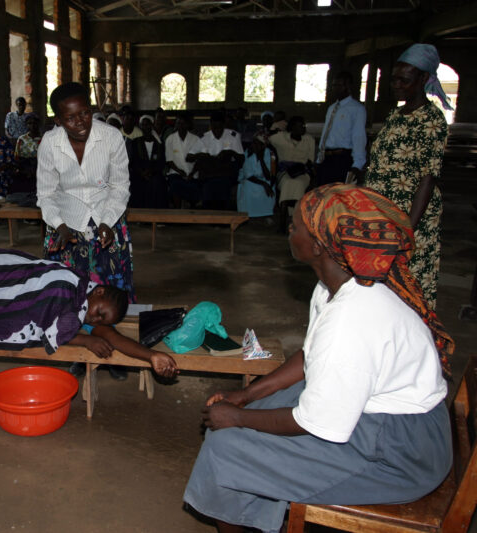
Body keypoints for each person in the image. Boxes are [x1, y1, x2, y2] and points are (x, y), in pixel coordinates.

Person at [184, 183, 454, 533]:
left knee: (226, 448)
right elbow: (309, 356)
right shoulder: (339, 284)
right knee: (247, 420)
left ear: (319, 246)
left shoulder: (352, 320)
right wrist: (246, 397)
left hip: (399, 453)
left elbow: (315, 422)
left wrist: (237, 417)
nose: (289, 231)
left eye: (295, 227)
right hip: (383, 421)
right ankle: (256, 510)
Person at [0, 249, 178, 378]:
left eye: (100, 321)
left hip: (12, 295)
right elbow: (40, 293)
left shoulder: (86, 313)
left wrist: (151, 355)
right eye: (99, 314)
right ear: (99, 292)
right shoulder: (68, 283)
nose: (94, 321)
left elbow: (114, 338)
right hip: (4, 282)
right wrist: (84, 340)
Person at [37, 82, 134, 381]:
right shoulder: (49, 145)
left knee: (109, 294)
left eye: (85, 113)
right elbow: (46, 194)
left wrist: (106, 223)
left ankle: (113, 352)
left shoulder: (111, 137)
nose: (80, 122)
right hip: (66, 225)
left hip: (108, 219)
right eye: (70, 118)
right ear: (58, 120)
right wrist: (61, 227)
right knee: (71, 293)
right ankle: (79, 349)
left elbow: (120, 186)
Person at [363, 44, 451, 309]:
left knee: (407, 281)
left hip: (410, 214)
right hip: (382, 211)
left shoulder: (431, 120)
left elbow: (428, 178)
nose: (397, 85)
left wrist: (407, 228)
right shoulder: (395, 114)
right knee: (378, 280)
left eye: (405, 80)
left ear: (424, 79)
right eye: (394, 79)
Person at [316, 71, 367, 186]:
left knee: (338, 196)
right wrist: (319, 158)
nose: (334, 89)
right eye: (333, 85)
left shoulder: (356, 109)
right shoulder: (332, 108)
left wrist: (357, 165)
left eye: (338, 85)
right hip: (326, 158)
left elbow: (358, 137)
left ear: (348, 86)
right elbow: (326, 133)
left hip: (341, 159)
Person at [186, 110, 244, 210]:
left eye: (220, 128)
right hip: (209, 175)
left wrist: (229, 152)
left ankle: (222, 219)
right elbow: (189, 157)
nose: (217, 131)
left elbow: (241, 159)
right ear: (210, 126)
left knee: (222, 187)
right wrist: (201, 154)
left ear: (224, 125)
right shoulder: (205, 138)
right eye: (214, 128)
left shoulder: (233, 136)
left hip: (225, 174)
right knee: (209, 188)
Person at [269, 116, 315, 231]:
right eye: (299, 126)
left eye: (303, 126)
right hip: (285, 171)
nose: (302, 128)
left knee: (298, 182)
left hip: (301, 171)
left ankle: (296, 218)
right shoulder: (280, 138)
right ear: (292, 127)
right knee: (287, 182)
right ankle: (283, 219)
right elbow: (264, 138)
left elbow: (310, 160)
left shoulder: (309, 140)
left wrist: (307, 171)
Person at [127, 115, 166, 209]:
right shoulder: (135, 142)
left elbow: (161, 162)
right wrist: (142, 172)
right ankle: (140, 217)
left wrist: (151, 171)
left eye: (148, 125)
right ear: (140, 127)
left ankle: (156, 216)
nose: (146, 127)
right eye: (143, 125)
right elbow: (133, 161)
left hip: (154, 173)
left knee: (158, 183)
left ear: (152, 126)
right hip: (139, 173)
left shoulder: (159, 144)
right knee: (137, 184)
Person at [236, 133, 275, 220]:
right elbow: (248, 175)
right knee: (248, 186)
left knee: (270, 186)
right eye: (253, 143)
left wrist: (261, 159)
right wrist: (264, 184)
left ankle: (266, 214)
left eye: (257, 143)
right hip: (250, 179)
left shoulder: (271, 154)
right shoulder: (247, 153)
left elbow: (269, 176)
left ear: (263, 145)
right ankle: (247, 214)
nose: (254, 145)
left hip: (265, 179)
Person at [165, 114, 200, 208]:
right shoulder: (170, 139)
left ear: (188, 125)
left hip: (192, 173)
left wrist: (191, 173)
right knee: (175, 185)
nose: (180, 126)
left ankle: (193, 211)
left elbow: (199, 160)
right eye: (178, 123)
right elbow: (169, 160)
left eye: (183, 123)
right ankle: (177, 211)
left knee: (194, 186)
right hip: (176, 172)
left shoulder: (195, 139)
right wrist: (180, 172)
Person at [12, 112, 42, 194]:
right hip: (25, 168)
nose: (32, 126)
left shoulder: (43, 139)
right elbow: (17, 157)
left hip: (39, 167)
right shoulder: (21, 139)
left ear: (38, 124)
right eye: (29, 123)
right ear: (26, 125)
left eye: (34, 123)